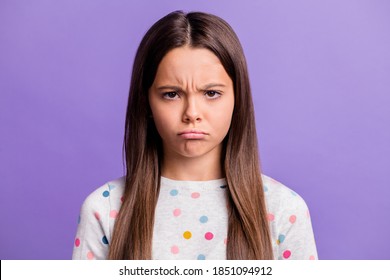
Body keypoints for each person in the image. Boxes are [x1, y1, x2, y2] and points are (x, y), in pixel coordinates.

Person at [72, 10, 318, 260]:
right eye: (171, 94)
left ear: (238, 99)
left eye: (211, 93)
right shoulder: (105, 209)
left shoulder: (284, 210)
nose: (192, 113)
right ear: (146, 102)